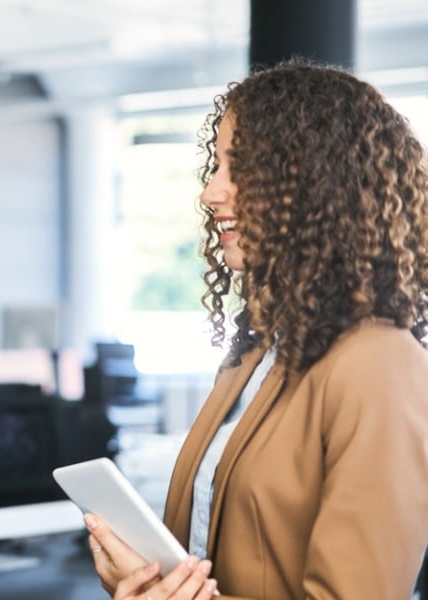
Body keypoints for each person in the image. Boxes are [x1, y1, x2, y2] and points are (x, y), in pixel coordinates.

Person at [86, 60, 428, 599]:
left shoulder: (381, 364)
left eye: (241, 168)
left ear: (317, 182)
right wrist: (145, 583)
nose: (211, 193)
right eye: (216, 167)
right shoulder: (254, 355)